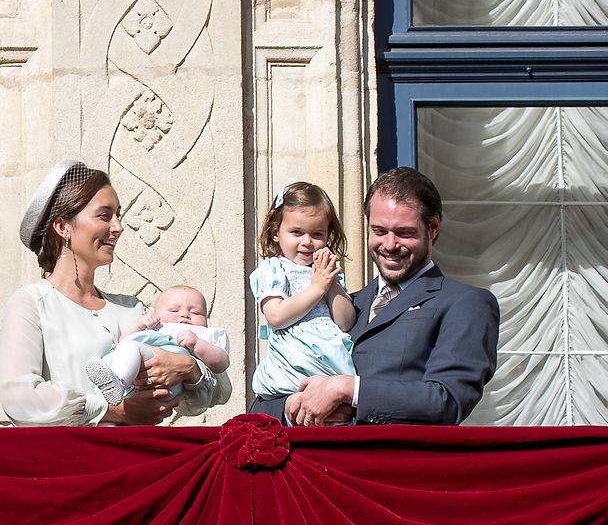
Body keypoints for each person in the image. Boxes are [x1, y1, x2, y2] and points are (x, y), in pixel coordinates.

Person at [0, 160, 230, 426]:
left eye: (118, 215)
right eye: (105, 215)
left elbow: (220, 389)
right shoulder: (32, 304)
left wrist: (187, 368)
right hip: (67, 462)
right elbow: (19, 398)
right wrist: (110, 409)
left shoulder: (133, 310)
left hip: (136, 460)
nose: (118, 227)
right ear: (63, 227)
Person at [269, 167, 499, 425]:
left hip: (393, 462)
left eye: (404, 232)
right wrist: (292, 406)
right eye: (379, 231)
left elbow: (447, 401)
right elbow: (261, 406)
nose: (389, 245)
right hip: (319, 461)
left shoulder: (466, 304)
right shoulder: (339, 305)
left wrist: (349, 390)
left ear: (433, 228)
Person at [247, 182, 357, 403]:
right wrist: (317, 288)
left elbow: (345, 322)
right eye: (296, 232)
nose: (307, 242)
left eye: (317, 234)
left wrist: (331, 283)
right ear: (275, 232)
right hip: (293, 359)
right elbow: (276, 316)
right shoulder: (274, 268)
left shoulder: (326, 274)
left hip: (331, 361)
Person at [85, 285, 230, 405]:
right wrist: (139, 325)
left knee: (131, 347)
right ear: (157, 314)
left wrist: (198, 344)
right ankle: (108, 401)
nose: (185, 315)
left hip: (168, 383)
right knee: (122, 350)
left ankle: (119, 383)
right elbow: (123, 340)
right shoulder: (156, 326)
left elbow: (221, 363)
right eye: (174, 310)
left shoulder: (205, 334)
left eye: (196, 312)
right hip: (134, 382)